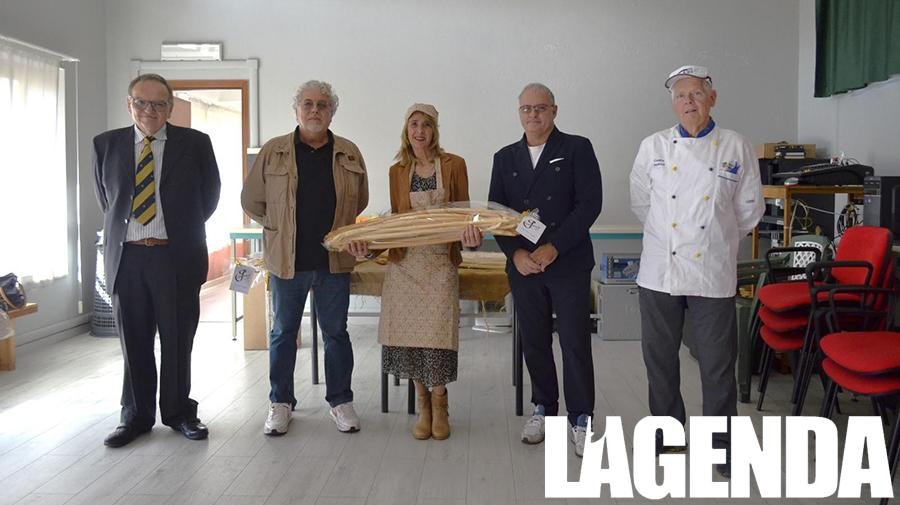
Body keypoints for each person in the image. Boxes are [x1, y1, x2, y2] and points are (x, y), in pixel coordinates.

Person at [629, 65, 764, 478]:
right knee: (660, 360)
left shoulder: (736, 146)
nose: (688, 101)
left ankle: (721, 445)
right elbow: (641, 203)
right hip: (660, 271)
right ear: (672, 103)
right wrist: (667, 237)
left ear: (712, 98)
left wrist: (716, 241)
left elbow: (750, 209)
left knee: (717, 364)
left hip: (712, 271)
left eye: (696, 94)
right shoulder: (653, 146)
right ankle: (668, 433)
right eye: (680, 95)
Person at [93, 73, 221, 447]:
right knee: (133, 341)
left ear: (170, 106)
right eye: (141, 102)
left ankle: (180, 412)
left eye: (159, 103)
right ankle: (135, 416)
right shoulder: (105, 145)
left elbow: (209, 196)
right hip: (127, 258)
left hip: (175, 256)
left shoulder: (195, 143)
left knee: (178, 339)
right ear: (129, 104)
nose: (149, 110)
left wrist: (178, 229)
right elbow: (108, 201)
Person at [241, 80, 368, 436]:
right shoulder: (275, 151)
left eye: (323, 105)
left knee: (336, 333)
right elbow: (251, 200)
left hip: (333, 262)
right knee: (283, 333)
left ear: (332, 112)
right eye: (308, 104)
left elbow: (359, 200)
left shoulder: (349, 152)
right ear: (296, 110)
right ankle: (280, 403)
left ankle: (340, 401)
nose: (315, 110)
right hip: (288, 261)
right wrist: (278, 227)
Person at [348, 103, 482, 440]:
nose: (419, 131)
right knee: (409, 339)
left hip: (439, 264)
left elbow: (464, 216)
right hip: (405, 265)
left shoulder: (454, 165)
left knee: (437, 338)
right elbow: (397, 223)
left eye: (426, 125)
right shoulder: (397, 171)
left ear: (435, 130)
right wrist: (370, 247)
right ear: (406, 131)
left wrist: (471, 238)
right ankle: (423, 406)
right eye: (413, 125)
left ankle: (440, 404)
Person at [488, 83, 603, 457]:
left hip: (567, 262)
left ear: (554, 110)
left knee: (574, 342)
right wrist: (515, 254)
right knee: (534, 340)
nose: (533, 114)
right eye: (526, 109)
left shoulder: (577, 148)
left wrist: (555, 246)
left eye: (540, 108)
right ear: (519, 113)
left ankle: (581, 417)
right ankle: (543, 408)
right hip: (525, 266)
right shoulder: (505, 157)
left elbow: (589, 205)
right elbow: (497, 214)